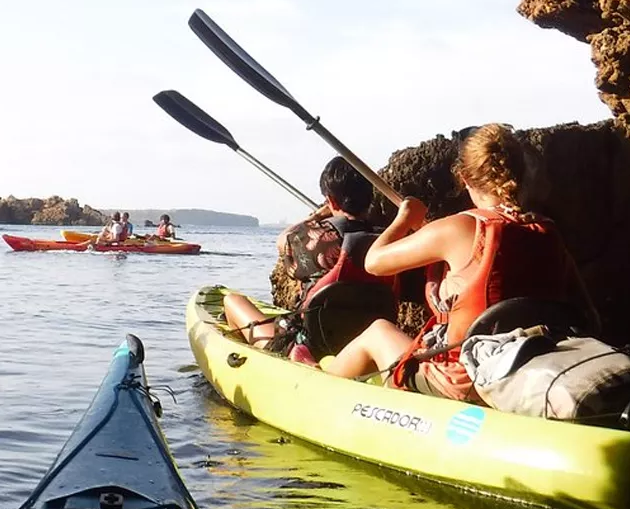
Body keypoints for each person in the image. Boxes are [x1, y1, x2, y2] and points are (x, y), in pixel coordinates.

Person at [319, 123, 597, 397]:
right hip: (528, 368)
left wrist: (404, 219)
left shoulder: (457, 228)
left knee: (378, 332)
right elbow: (588, 316)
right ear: (521, 174)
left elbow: (374, 262)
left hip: (466, 379)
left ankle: (315, 391)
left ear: (464, 177)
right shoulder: (548, 230)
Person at [222, 157, 384, 350]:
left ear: (330, 200)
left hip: (309, 343)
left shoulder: (312, 238)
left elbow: (282, 241)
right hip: (365, 340)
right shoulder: (386, 243)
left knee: (232, 301)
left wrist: (316, 216)